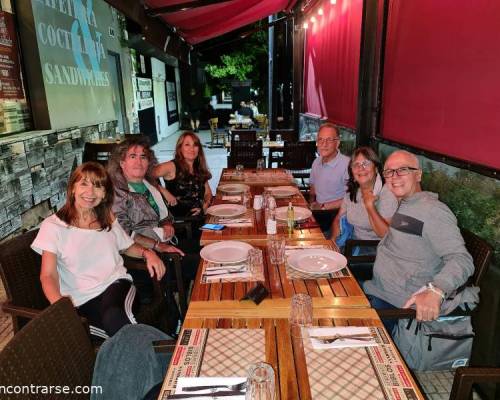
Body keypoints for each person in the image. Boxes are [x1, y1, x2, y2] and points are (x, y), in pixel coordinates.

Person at [31, 162, 165, 339]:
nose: (90, 192)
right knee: (107, 334)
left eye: (98, 186)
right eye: (84, 184)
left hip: (117, 285)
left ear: (104, 194)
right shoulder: (53, 226)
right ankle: (160, 354)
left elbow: (127, 246)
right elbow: (48, 275)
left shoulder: (107, 217)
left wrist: (148, 253)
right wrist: (61, 306)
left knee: (114, 317)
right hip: (80, 300)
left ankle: (160, 357)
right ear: (72, 189)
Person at [363, 150, 478, 333]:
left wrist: (437, 290)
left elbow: (461, 259)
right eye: (389, 172)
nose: (395, 177)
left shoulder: (433, 211)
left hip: (396, 307)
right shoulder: (406, 204)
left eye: (403, 170)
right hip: (376, 289)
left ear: (418, 174)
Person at [107, 137, 199, 296]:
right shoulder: (117, 192)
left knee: (206, 249)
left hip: (164, 239)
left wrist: (167, 223)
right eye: (132, 156)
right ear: (121, 163)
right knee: (202, 263)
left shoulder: (147, 184)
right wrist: (158, 245)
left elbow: (164, 214)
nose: (139, 162)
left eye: (143, 157)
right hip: (145, 256)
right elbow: (124, 234)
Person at [332, 147, 398, 252]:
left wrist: (370, 206)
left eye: (366, 163)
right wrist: (334, 241)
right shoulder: (353, 192)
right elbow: (338, 218)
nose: (361, 168)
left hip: (372, 251)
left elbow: (386, 236)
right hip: (350, 242)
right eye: (356, 165)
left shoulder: (387, 194)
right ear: (352, 174)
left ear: (376, 169)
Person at [153, 132, 212, 236]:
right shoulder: (171, 166)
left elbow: (208, 192)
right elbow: (143, 175)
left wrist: (205, 205)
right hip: (183, 225)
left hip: (201, 220)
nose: (192, 149)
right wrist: (163, 191)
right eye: (187, 145)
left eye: (195, 145)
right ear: (180, 148)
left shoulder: (198, 168)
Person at [309, 123, 350, 237]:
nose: (324, 144)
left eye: (329, 140)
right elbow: (313, 188)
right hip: (319, 214)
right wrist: (311, 204)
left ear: (337, 143)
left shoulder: (347, 165)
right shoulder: (316, 162)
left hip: (336, 216)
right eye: (320, 140)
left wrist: (323, 206)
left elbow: (351, 199)